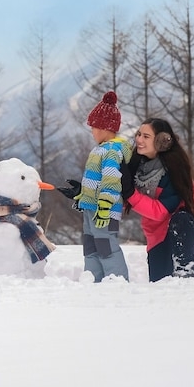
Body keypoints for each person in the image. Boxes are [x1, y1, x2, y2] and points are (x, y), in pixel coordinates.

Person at [58, 91, 133, 282]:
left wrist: (105, 207)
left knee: (105, 243)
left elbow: (110, 179)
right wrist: (82, 194)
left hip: (104, 211)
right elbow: (97, 181)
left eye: (93, 127)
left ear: (103, 127)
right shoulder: (100, 149)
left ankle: (116, 280)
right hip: (91, 208)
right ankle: (93, 279)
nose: (92, 131)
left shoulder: (112, 151)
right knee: (90, 245)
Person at [120, 118, 194, 282]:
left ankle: (185, 272)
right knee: (159, 282)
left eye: (146, 136)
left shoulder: (174, 170)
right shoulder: (137, 164)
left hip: (183, 224)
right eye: (138, 134)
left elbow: (161, 211)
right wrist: (83, 193)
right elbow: (115, 192)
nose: (138, 139)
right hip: (156, 231)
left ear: (161, 141)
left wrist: (130, 193)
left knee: (180, 219)